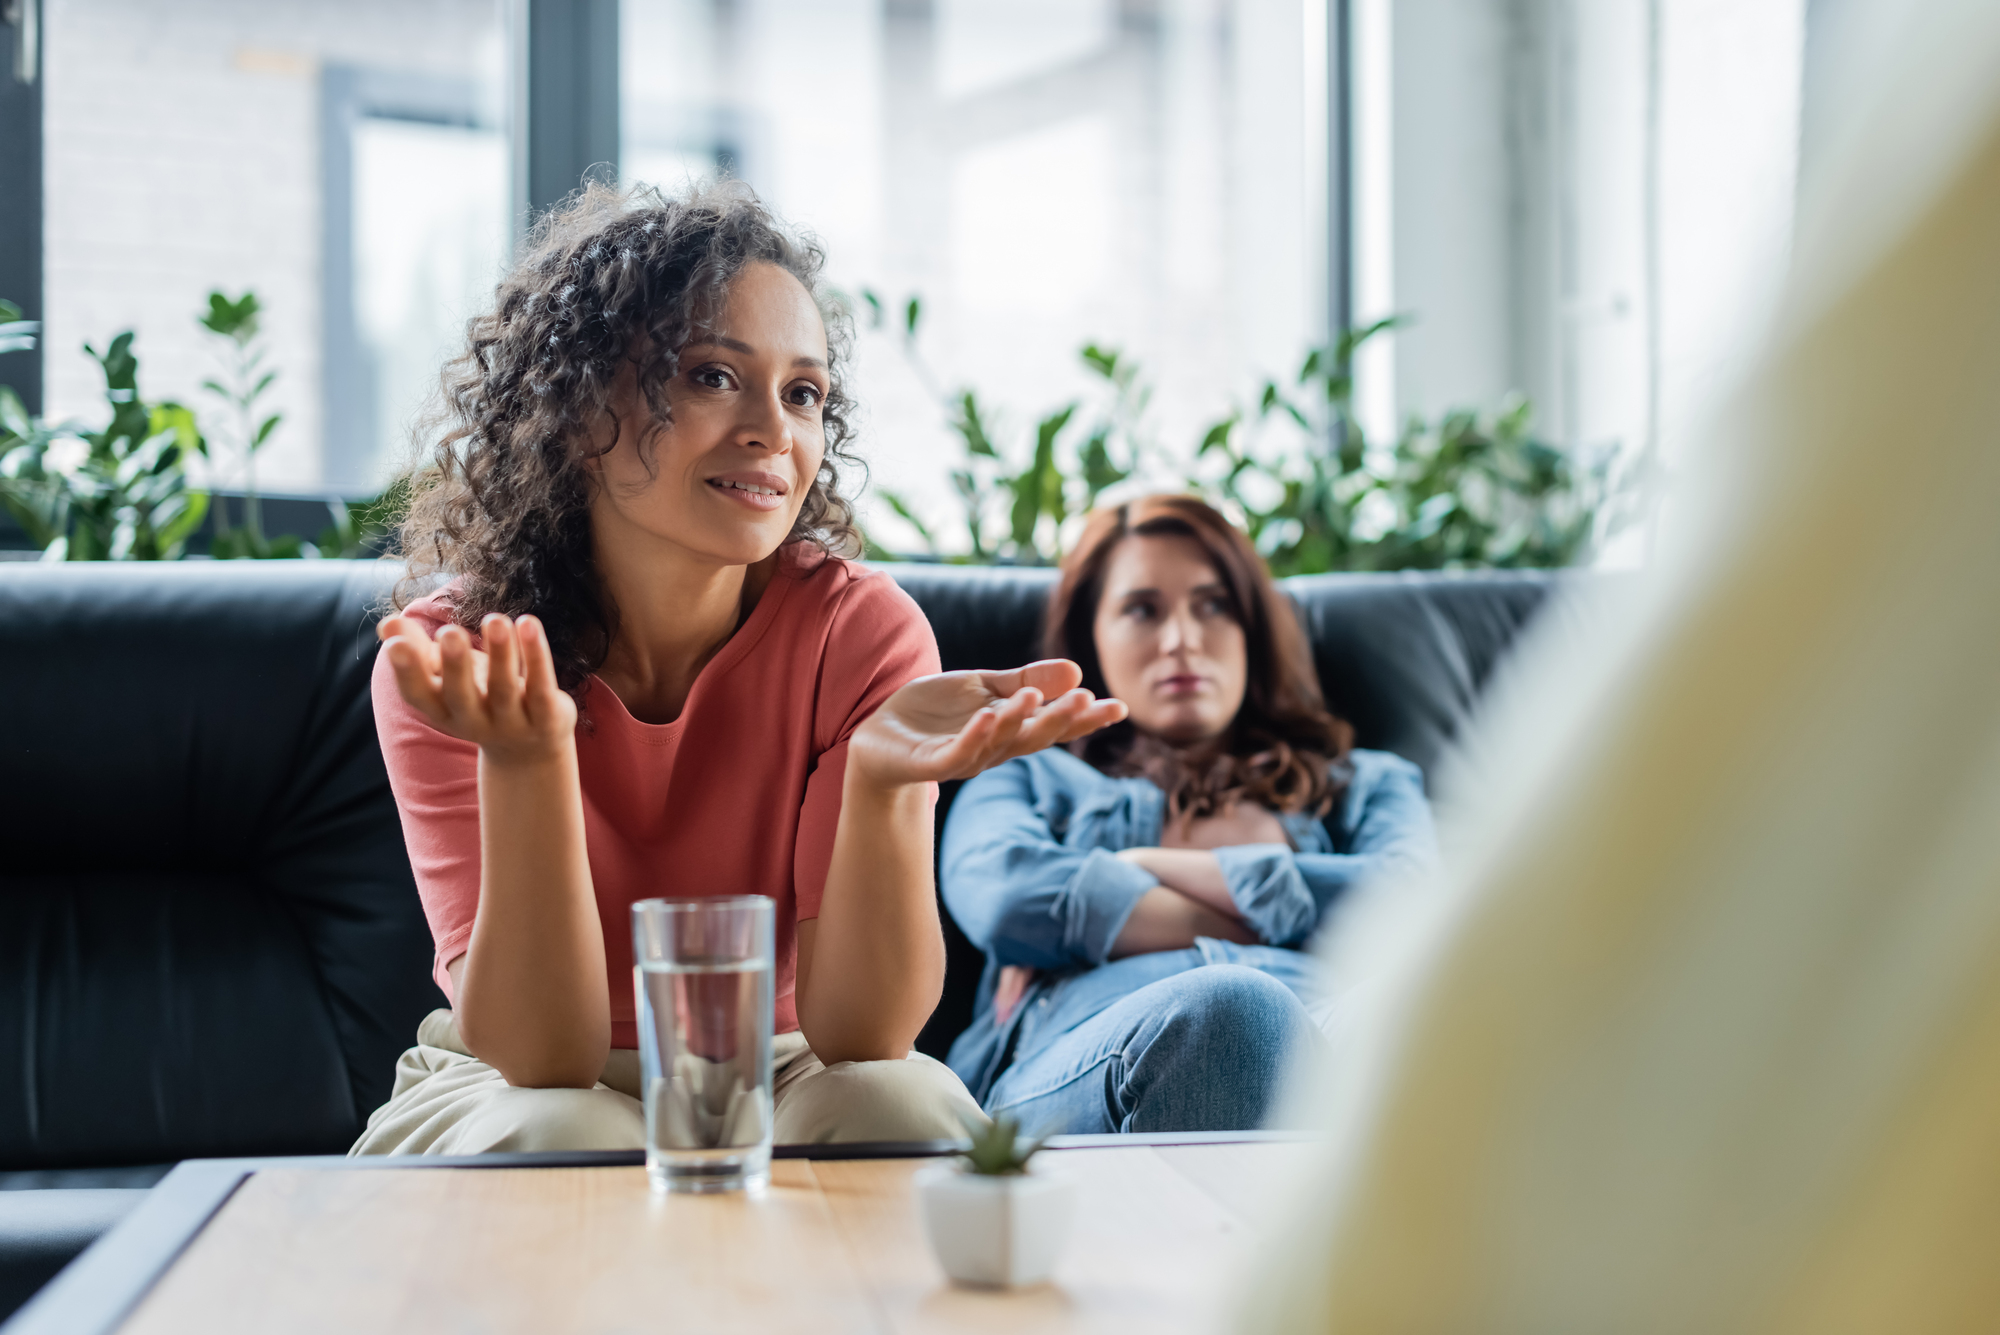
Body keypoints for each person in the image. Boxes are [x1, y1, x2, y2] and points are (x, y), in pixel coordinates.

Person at [351, 181, 1125, 1155]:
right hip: (503, 1077)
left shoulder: (862, 632)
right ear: (580, 406)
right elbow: (542, 1056)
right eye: (713, 376)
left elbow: (864, 1039)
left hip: (782, 1062)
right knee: (565, 1129)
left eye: (803, 393)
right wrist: (528, 762)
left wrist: (879, 786)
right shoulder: (459, 661)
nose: (773, 430)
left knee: (902, 1106)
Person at [941, 495, 1438, 1134]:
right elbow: (1008, 896)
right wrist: (1281, 915)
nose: (1182, 640)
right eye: (1143, 610)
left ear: (1250, 629)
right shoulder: (1025, 769)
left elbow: (1416, 908)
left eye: (1213, 605)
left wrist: (1140, 868)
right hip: (1090, 1055)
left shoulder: (1363, 783)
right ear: (1091, 634)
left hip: (1332, 1032)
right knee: (1236, 1011)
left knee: (1443, 1007)